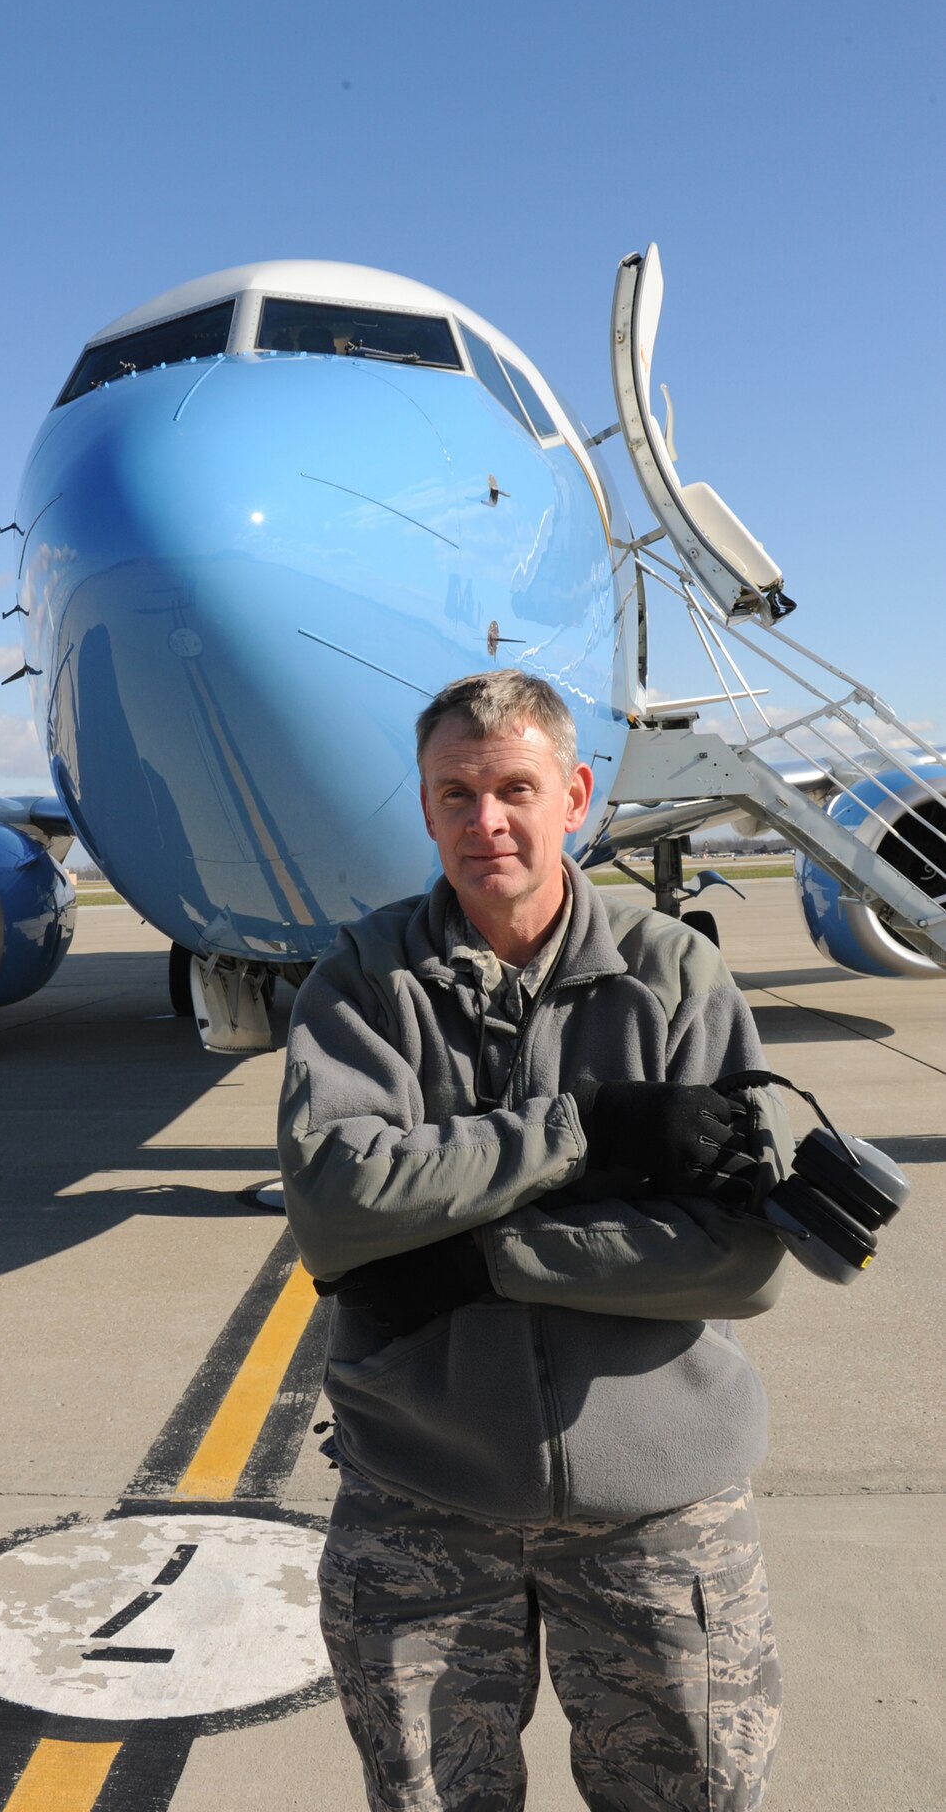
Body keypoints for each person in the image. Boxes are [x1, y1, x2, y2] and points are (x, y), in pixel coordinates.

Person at [278, 670, 792, 1812]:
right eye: (453, 793)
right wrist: (586, 1129)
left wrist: (475, 1258)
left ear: (574, 794)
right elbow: (335, 1198)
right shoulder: (366, 983)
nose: (485, 820)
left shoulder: (672, 977)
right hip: (421, 1496)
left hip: (658, 1510)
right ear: (423, 809)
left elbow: (740, 1255)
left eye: (514, 786)